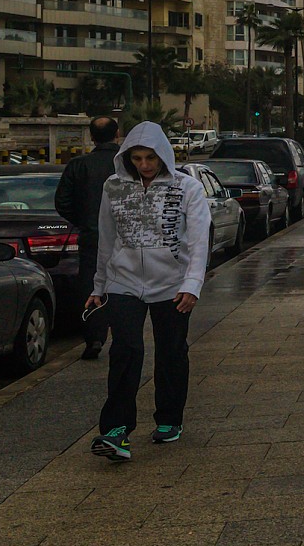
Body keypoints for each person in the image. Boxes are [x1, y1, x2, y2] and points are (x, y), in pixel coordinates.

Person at [85, 121, 211, 462]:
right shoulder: (113, 187)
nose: (144, 165)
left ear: (163, 155)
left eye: (150, 158)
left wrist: (192, 284)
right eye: (137, 158)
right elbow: (106, 239)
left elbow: (199, 240)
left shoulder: (187, 188)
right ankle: (115, 430)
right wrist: (99, 286)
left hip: (173, 284)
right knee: (125, 349)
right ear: (127, 157)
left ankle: (169, 418)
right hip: (123, 281)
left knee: (171, 351)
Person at [52, 115, 120, 361]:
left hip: (93, 236)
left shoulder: (78, 165)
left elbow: (62, 202)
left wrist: (84, 220)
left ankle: (94, 337)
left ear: (91, 137)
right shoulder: (128, 164)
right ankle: (123, 331)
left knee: (92, 285)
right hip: (126, 236)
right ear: (117, 134)